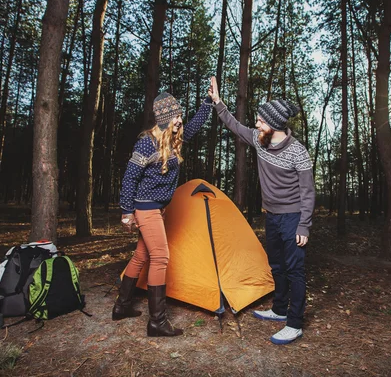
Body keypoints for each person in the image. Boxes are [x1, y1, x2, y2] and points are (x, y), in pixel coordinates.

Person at [208, 76, 315, 345]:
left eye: (261, 121)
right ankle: (280, 309)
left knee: (294, 270)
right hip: (271, 215)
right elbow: (234, 125)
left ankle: (295, 323)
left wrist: (304, 225)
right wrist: (218, 102)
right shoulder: (259, 140)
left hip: (293, 217)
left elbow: (308, 192)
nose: (256, 125)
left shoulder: (298, 152)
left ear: (275, 126)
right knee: (276, 264)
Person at [113, 92, 212, 337]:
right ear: (163, 119)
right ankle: (157, 322)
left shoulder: (174, 138)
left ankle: (121, 307)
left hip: (158, 208)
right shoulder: (147, 143)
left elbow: (196, 124)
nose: (180, 120)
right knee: (160, 257)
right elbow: (129, 178)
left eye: (180, 115)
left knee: (141, 256)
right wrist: (126, 211)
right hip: (145, 208)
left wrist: (208, 102)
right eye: (175, 116)